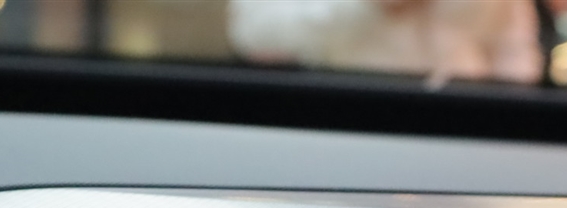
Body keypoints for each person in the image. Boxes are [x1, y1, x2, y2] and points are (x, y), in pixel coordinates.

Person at [229, 0, 543, 87]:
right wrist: (367, 6)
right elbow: (253, 32)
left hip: (467, 133)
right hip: (349, 121)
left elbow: (516, 51)